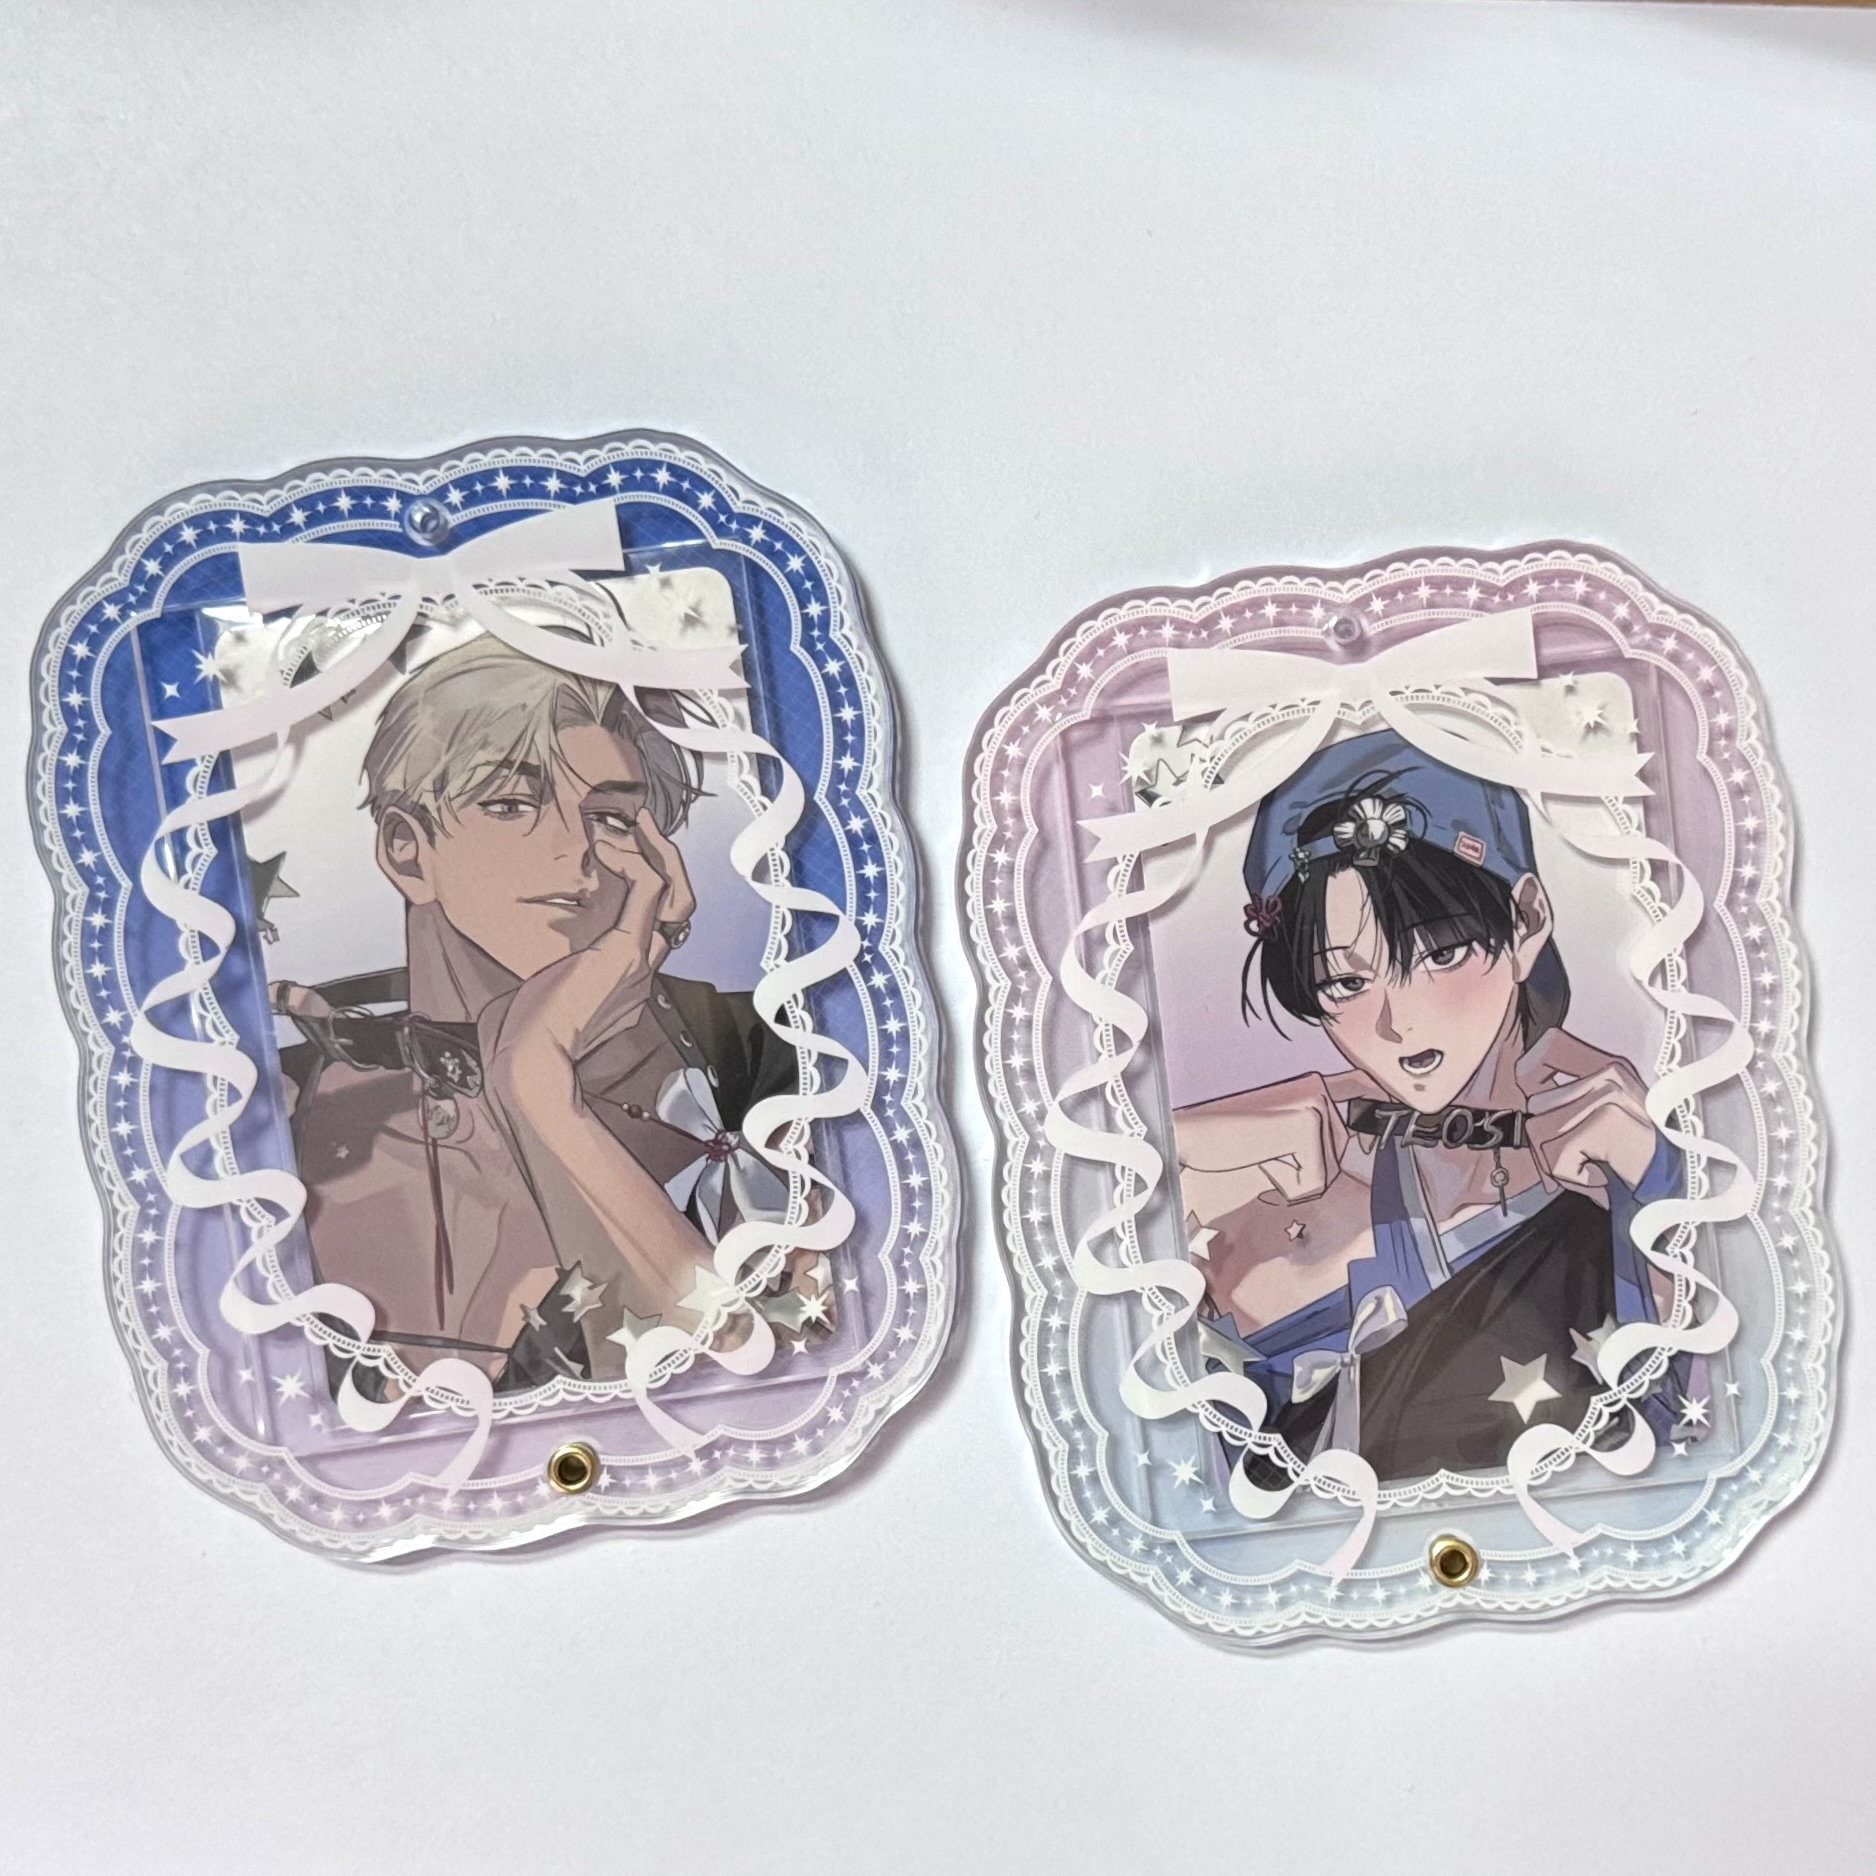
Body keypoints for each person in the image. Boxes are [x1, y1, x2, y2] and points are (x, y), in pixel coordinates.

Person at [268, 633, 829, 1396]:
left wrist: (538, 1084)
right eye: (510, 804)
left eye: (611, 817)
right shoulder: (279, 1108)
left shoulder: (765, 1052)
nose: (576, 850)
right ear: (406, 849)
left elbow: (783, 1379)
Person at [1175, 728, 1689, 1482]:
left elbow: (1689, 1438)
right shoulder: (1287, 1192)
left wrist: (1662, 1186)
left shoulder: (1629, 1157)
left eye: (1440, 954)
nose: (1400, 1023)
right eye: (1346, 983)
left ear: (1526, 921)